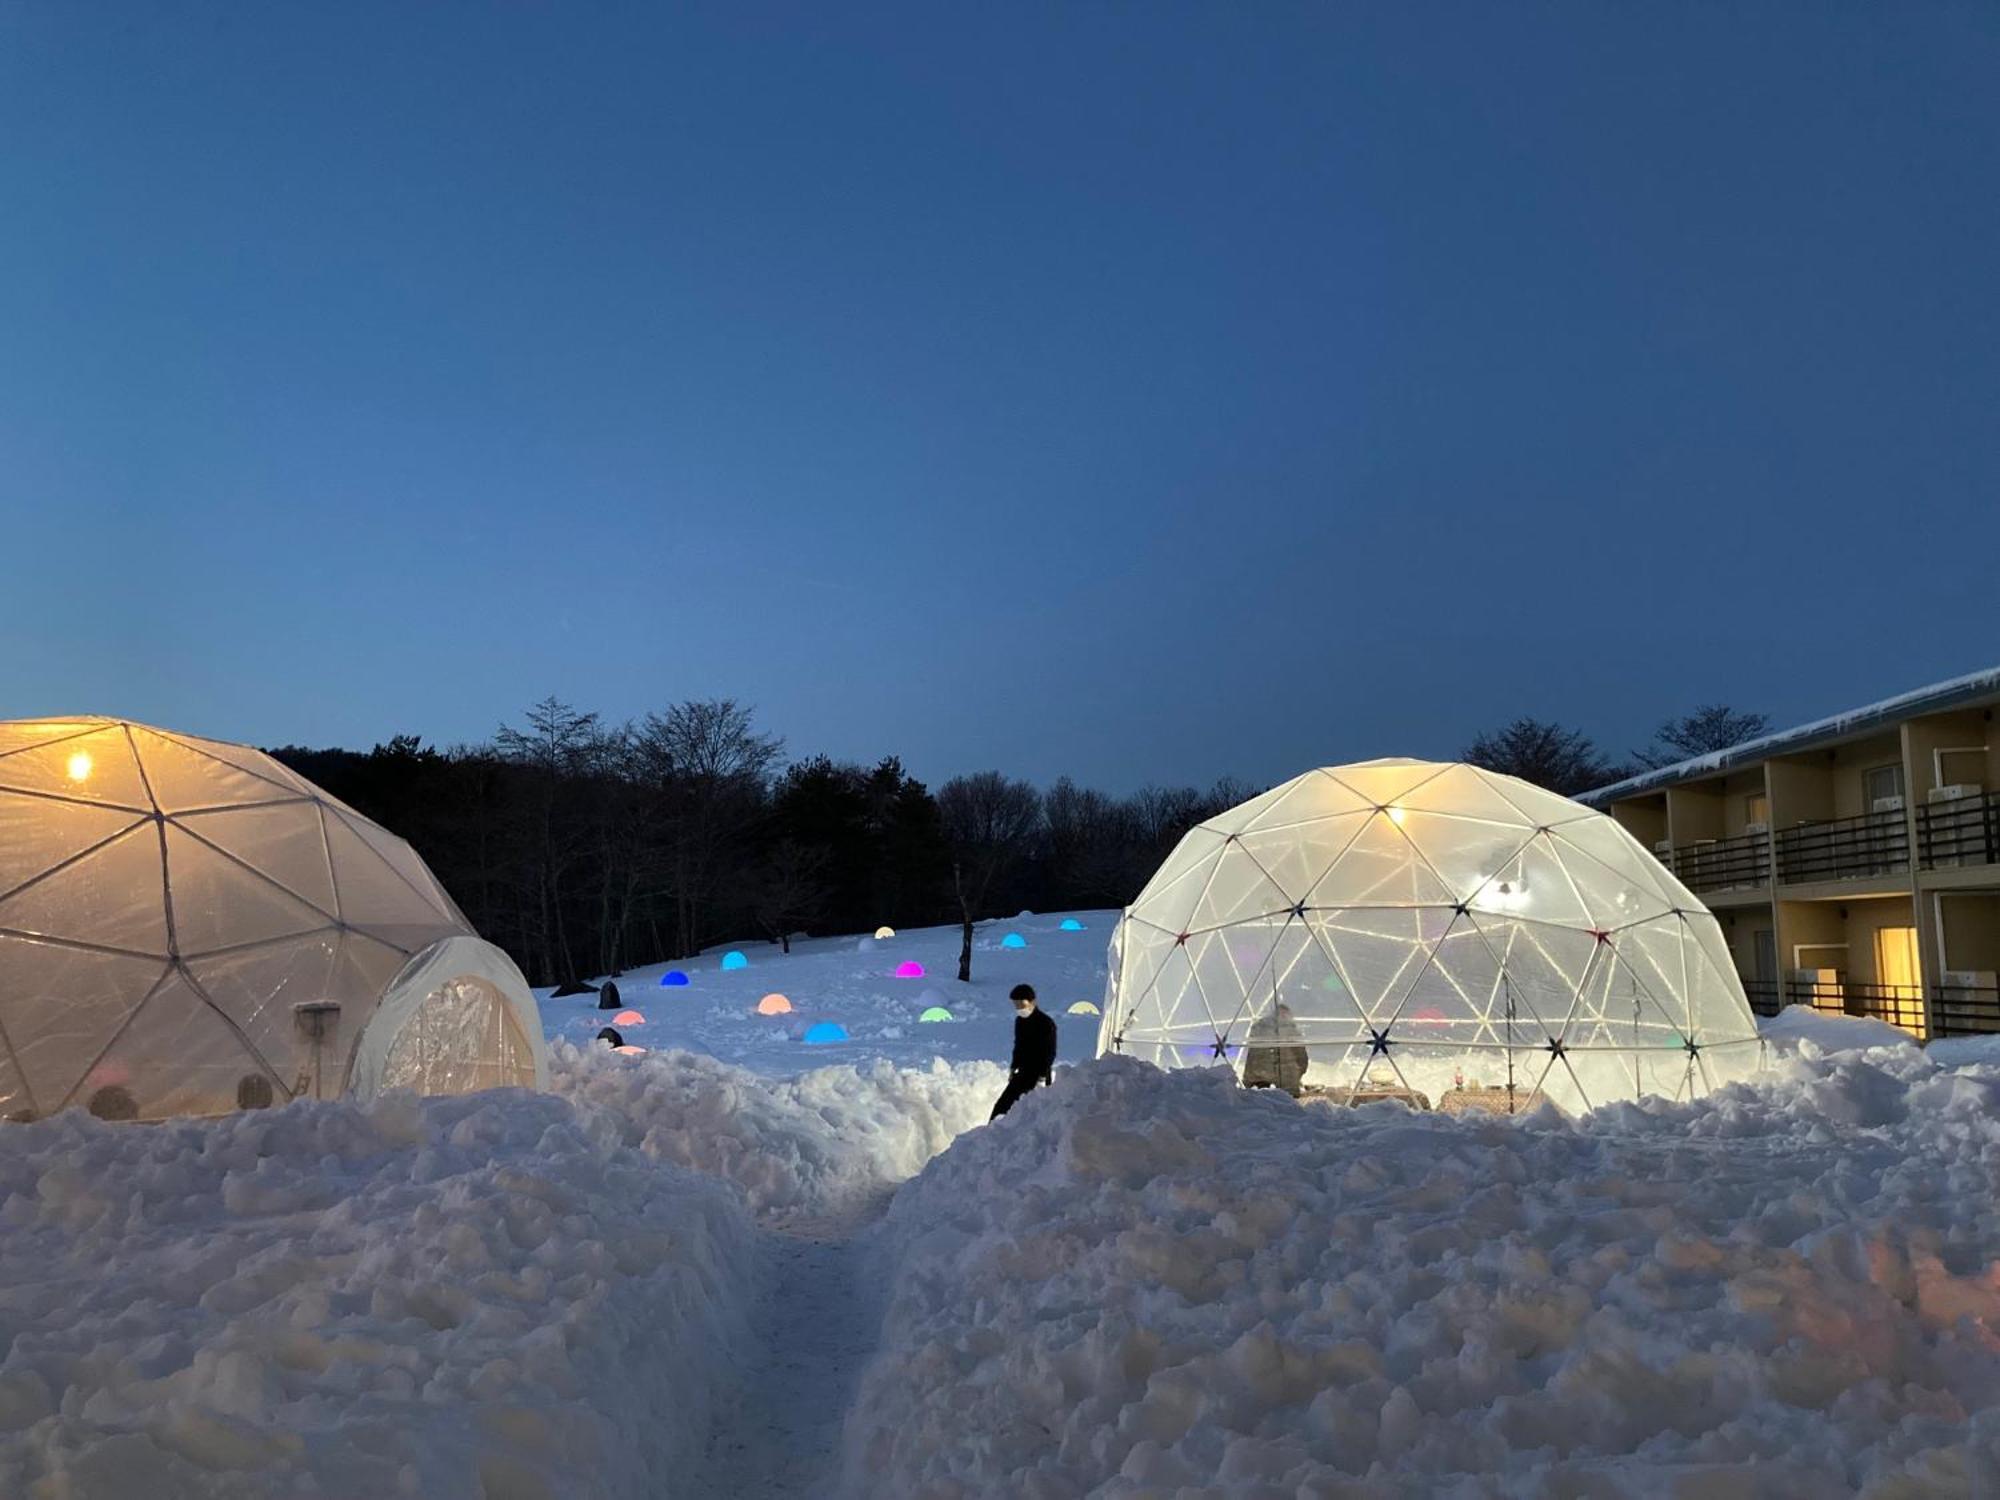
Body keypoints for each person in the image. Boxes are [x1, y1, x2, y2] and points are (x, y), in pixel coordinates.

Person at [990, 983, 1058, 1119]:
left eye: (1021, 1004)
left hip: (1039, 1073)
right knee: (1002, 1106)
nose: (1019, 1008)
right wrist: (1014, 1066)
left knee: (1029, 1111)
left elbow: (1050, 1051)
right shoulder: (1020, 1021)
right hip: (1022, 1072)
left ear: (1032, 1002)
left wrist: (1043, 1076)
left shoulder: (1045, 1023)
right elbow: (1019, 1045)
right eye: (1016, 1005)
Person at [1241, 1002, 1308, 1097]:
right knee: (1290, 1101)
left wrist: (1248, 1079)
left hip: (1259, 1075)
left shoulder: (1258, 1026)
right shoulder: (1291, 1029)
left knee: (1260, 1101)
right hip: (1286, 1076)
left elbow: (1251, 1055)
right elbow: (1301, 1055)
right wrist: (1299, 1072)